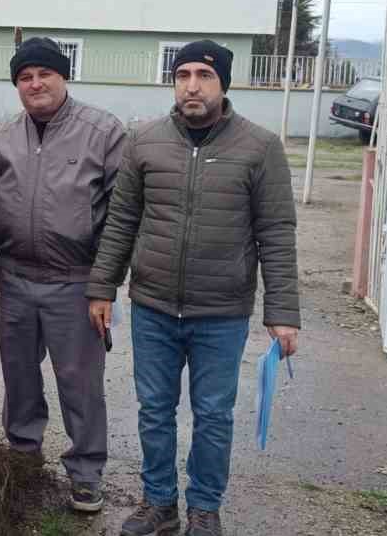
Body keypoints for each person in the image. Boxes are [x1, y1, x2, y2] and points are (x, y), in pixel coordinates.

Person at [94, 40, 301, 536]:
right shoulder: (143, 140)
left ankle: (205, 508)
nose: (192, 85)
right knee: (154, 410)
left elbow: (276, 231)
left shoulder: (260, 146)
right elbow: (122, 221)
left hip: (221, 313)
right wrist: (102, 287)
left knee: (212, 415)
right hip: (153, 307)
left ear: (222, 83)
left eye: (204, 76)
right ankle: (159, 503)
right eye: (183, 74)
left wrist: (283, 311)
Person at [0, 37, 125, 515]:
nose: (34, 83)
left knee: (79, 382)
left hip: (75, 282)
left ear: (64, 76)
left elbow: (123, 215)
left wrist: (104, 285)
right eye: (24, 76)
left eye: (44, 73)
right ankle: (23, 457)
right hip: (16, 279)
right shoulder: (4, 136)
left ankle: (85, 473)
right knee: (19, 378)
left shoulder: (102, 132)